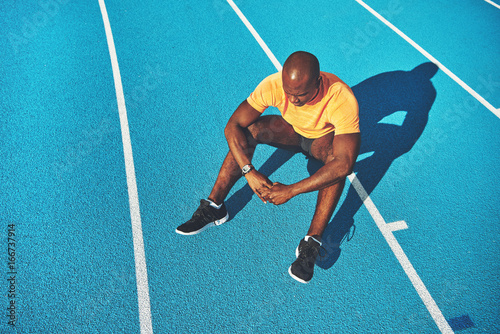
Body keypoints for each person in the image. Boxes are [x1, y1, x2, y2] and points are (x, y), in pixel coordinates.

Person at [176, 51, 361, 283]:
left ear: (318, 82)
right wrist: (249, 171)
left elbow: (345, 164)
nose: (293, 100)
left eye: (301, 95)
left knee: (336, 162)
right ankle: (215, 206)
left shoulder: (340, 97)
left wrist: (291, 190)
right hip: (291, 132)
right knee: (250, 129)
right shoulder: (273, 84)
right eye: (288, 93)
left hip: (322, 141)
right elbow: (232, 125)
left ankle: (311, 242)